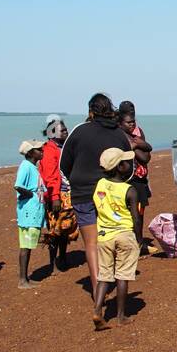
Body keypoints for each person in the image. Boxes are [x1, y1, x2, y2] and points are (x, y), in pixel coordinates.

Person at [60, 94, 133, 288]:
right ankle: (115, 281)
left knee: (92, 244)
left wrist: (77, 181)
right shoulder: (118, 133)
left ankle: (97, 288)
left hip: (83, 193)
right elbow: (128, 166)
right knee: (112, 238)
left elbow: (64, 164)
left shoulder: (79, 131)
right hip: (111, 194)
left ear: (90, 111)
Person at [91, 148, 143, 329]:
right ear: (121, 167)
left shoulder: (100, 185)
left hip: (104, 235)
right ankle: (121, 316)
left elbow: (97, 208)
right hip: (125, 234)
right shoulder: (130, 190)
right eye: (126, 162)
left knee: (104, 276)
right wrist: (139, 238)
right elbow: (136, 218)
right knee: (122, 275)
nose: (129, 165)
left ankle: (97, 311)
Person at [39, 118, 75, 272]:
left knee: (65, 229)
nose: (66, 132)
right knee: (54, 230)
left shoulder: (62, 147)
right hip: (56, 195)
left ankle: (63, 258)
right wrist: (54, 198)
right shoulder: (49, 150)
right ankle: (53, 263)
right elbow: (50, 176)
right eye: (63, 130)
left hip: (66, 193)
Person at [117, 101, 154, 253]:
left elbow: (148, 153)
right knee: (131, 214)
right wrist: (137, 145)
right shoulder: (120, 135)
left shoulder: (137, 132)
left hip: (141, 177)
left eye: (133, 118)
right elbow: (143, 156)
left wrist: (136, 143)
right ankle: (135, 244)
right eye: (128, 120)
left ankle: (138, 243)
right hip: (128, 178)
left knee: (139, 212)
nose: (132, 122)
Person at [14, 139, 49, 288]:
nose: (42, 152)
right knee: (25, 245)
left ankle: (25, 278)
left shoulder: (33, 167)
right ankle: (22, 279)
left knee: (28, 245)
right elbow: (18, 186)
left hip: (35, 210)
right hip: (29, 212)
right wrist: (31, 195)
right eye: (39, 150)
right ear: (30, 152)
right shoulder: (26, 166)